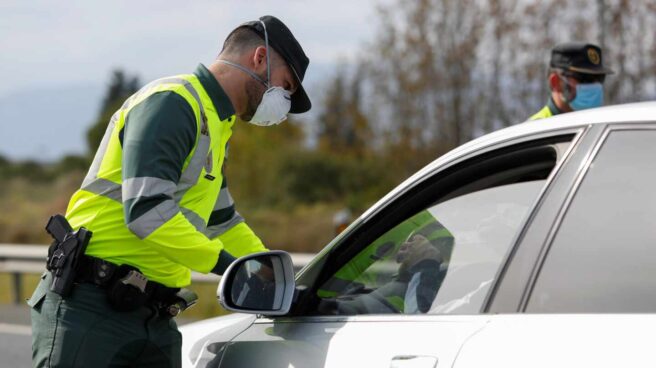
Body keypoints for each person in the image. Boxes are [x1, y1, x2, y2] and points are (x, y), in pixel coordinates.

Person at [28, 15, 311, 368]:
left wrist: (271, 272)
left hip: (153, 318)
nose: (283, 104)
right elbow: (146, 212)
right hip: (90, 309)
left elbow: (223, 223)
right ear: (259, 59)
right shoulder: (173, 104)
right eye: (284, 87)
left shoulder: (217, 126)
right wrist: (231, 269)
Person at [529, 42, 614, 120]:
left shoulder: (604, 127)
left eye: (599, 78)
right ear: (555, 82)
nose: (594, 85)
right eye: (585, 78)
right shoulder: (535, 131)